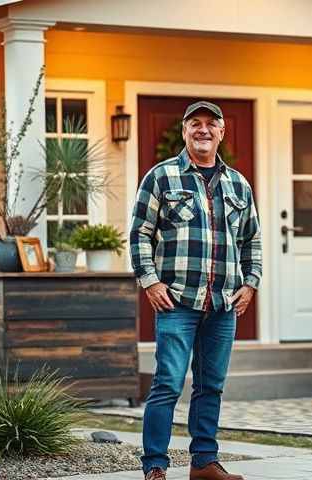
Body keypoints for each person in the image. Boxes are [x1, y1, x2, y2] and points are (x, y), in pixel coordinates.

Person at [129, 100, 261, 480]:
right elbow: (140, 232)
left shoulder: (238, 183)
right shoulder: (161, 177)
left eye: (211, 124)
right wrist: (150, 280)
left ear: (222, 132)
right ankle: (155, 466)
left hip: (223, 303)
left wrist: (250, 284)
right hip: (178, 302)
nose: (203, 130)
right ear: (185, 132)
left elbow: (252, 239)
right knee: (168, 382)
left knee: (211, 386)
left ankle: (203, 462)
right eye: (195, 124)